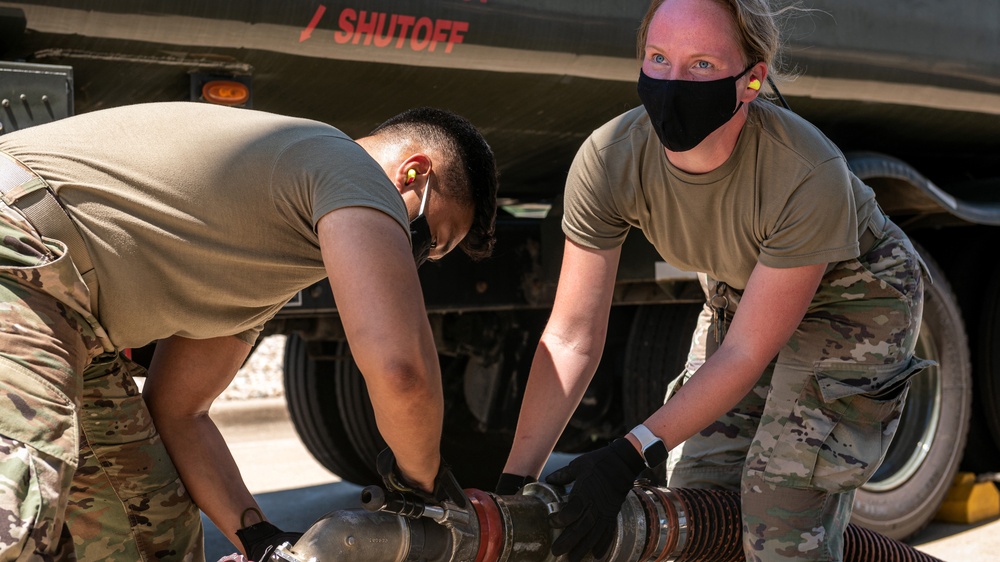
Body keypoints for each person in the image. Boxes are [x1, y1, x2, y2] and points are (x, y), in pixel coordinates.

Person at [497, 0, 929, 561]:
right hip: (743, 290)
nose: (672, 83)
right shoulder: (609, 161)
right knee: (698, 511)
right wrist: (513, 484)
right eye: (658, 58)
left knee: (779, 517)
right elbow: (571, 336)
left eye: (701, 65)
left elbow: (747, 352)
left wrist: (628, 453)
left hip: (855, 302)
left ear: (750, 81)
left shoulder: (803, 171)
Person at [0, 101, 498, 561]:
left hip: (65, 309)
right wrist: (428, 491)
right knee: (19, 508)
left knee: (150, 526)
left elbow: (180, 412)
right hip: (17, 251)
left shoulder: (268, 257)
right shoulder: (351, 168)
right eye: (429, 241)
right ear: (414, 173)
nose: (416, 257)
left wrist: (259, 537)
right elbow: (402, 373)